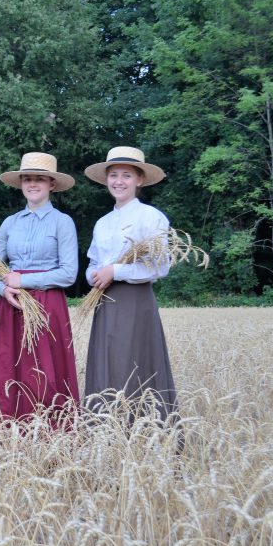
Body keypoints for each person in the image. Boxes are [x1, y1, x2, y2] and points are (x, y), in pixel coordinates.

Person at [0, 152, 80, 430]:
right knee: (7, 366)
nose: (33, 183)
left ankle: (52, 433)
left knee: (47, 371)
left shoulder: (62, 222)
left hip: (47, 305)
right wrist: (4, 289)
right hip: (11, 305)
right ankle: (9, 431)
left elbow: (68, 274)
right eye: (28, 178)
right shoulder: (10, 222)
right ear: (21, 184)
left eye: (39, 178)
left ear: (51, 183)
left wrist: (22, 282)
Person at [82, 146, 177, 422]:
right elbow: (92, 263)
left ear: (140, 180)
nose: (118, 181)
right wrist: (96, 276)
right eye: (113, 175)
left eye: (126, 175)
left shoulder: (151, 217)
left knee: (134, 364)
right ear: (106, 179)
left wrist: (116, 270)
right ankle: (105, 433)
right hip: (104, 302)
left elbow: (161, 265)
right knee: (106, 364)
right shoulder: (102, 223)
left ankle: (145, 431)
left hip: (136, 303)